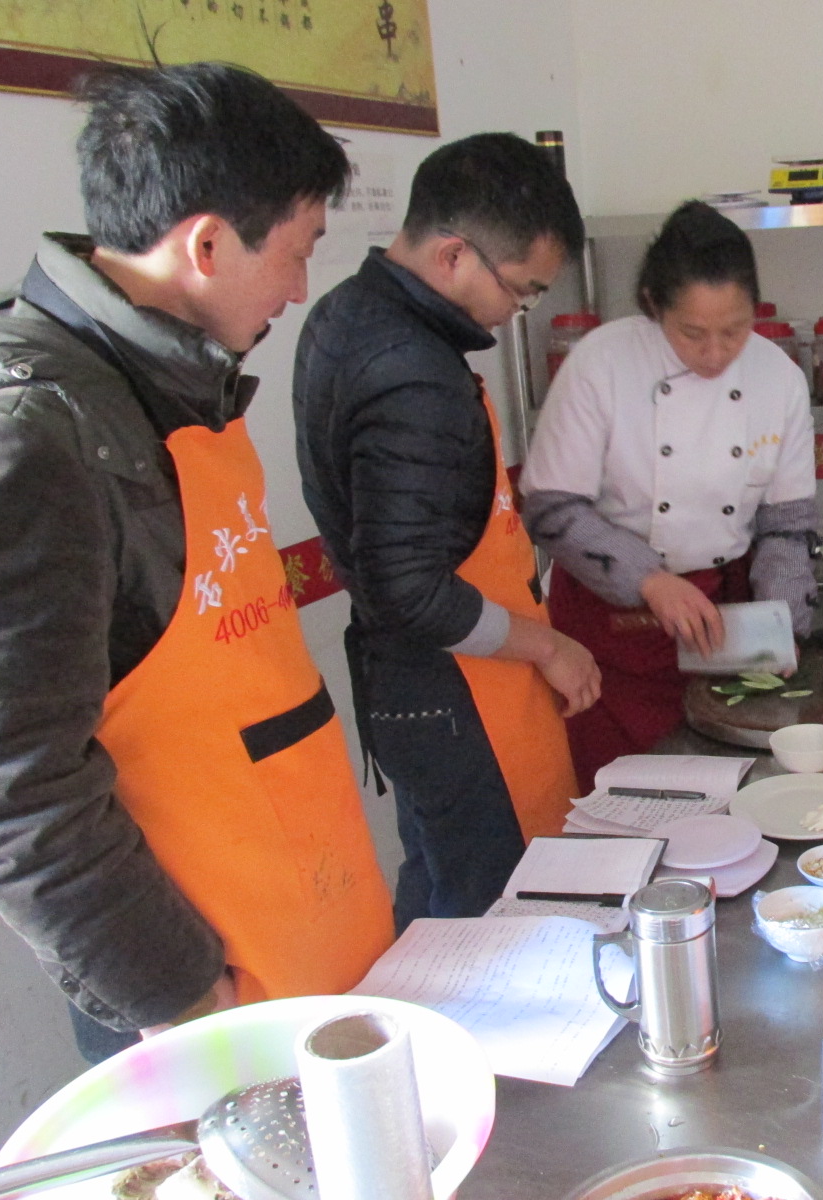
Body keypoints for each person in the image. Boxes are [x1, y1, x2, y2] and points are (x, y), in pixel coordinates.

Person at [0, 63, 394, 1064]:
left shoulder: (173, 380)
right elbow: (14, 785)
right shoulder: (38, 430)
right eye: (297, 255)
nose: (301, 291)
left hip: (299, 939)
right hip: (205, 996)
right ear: (207, 244)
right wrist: (178, 995)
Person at [294, 134, 599, 931]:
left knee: (436, 891)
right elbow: (410, 590)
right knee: (487, 920)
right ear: (456, 254)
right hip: (453, 694)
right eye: (523, 291)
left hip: (418, 692)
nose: (517, 314)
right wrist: (550, 645)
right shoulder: (411, 370)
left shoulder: (348, 315)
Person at [521, 201, 817, 784]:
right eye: (693, 333)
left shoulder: (777, 377)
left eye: (734, 330)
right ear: (655, 306)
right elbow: (551, 509)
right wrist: (649, 580)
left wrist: (781, 626)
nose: (715, 353)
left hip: (725, 625)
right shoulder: (601, 363)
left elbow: (787, 523)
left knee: (734, 798)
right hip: (612, 630)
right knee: (619, 801)